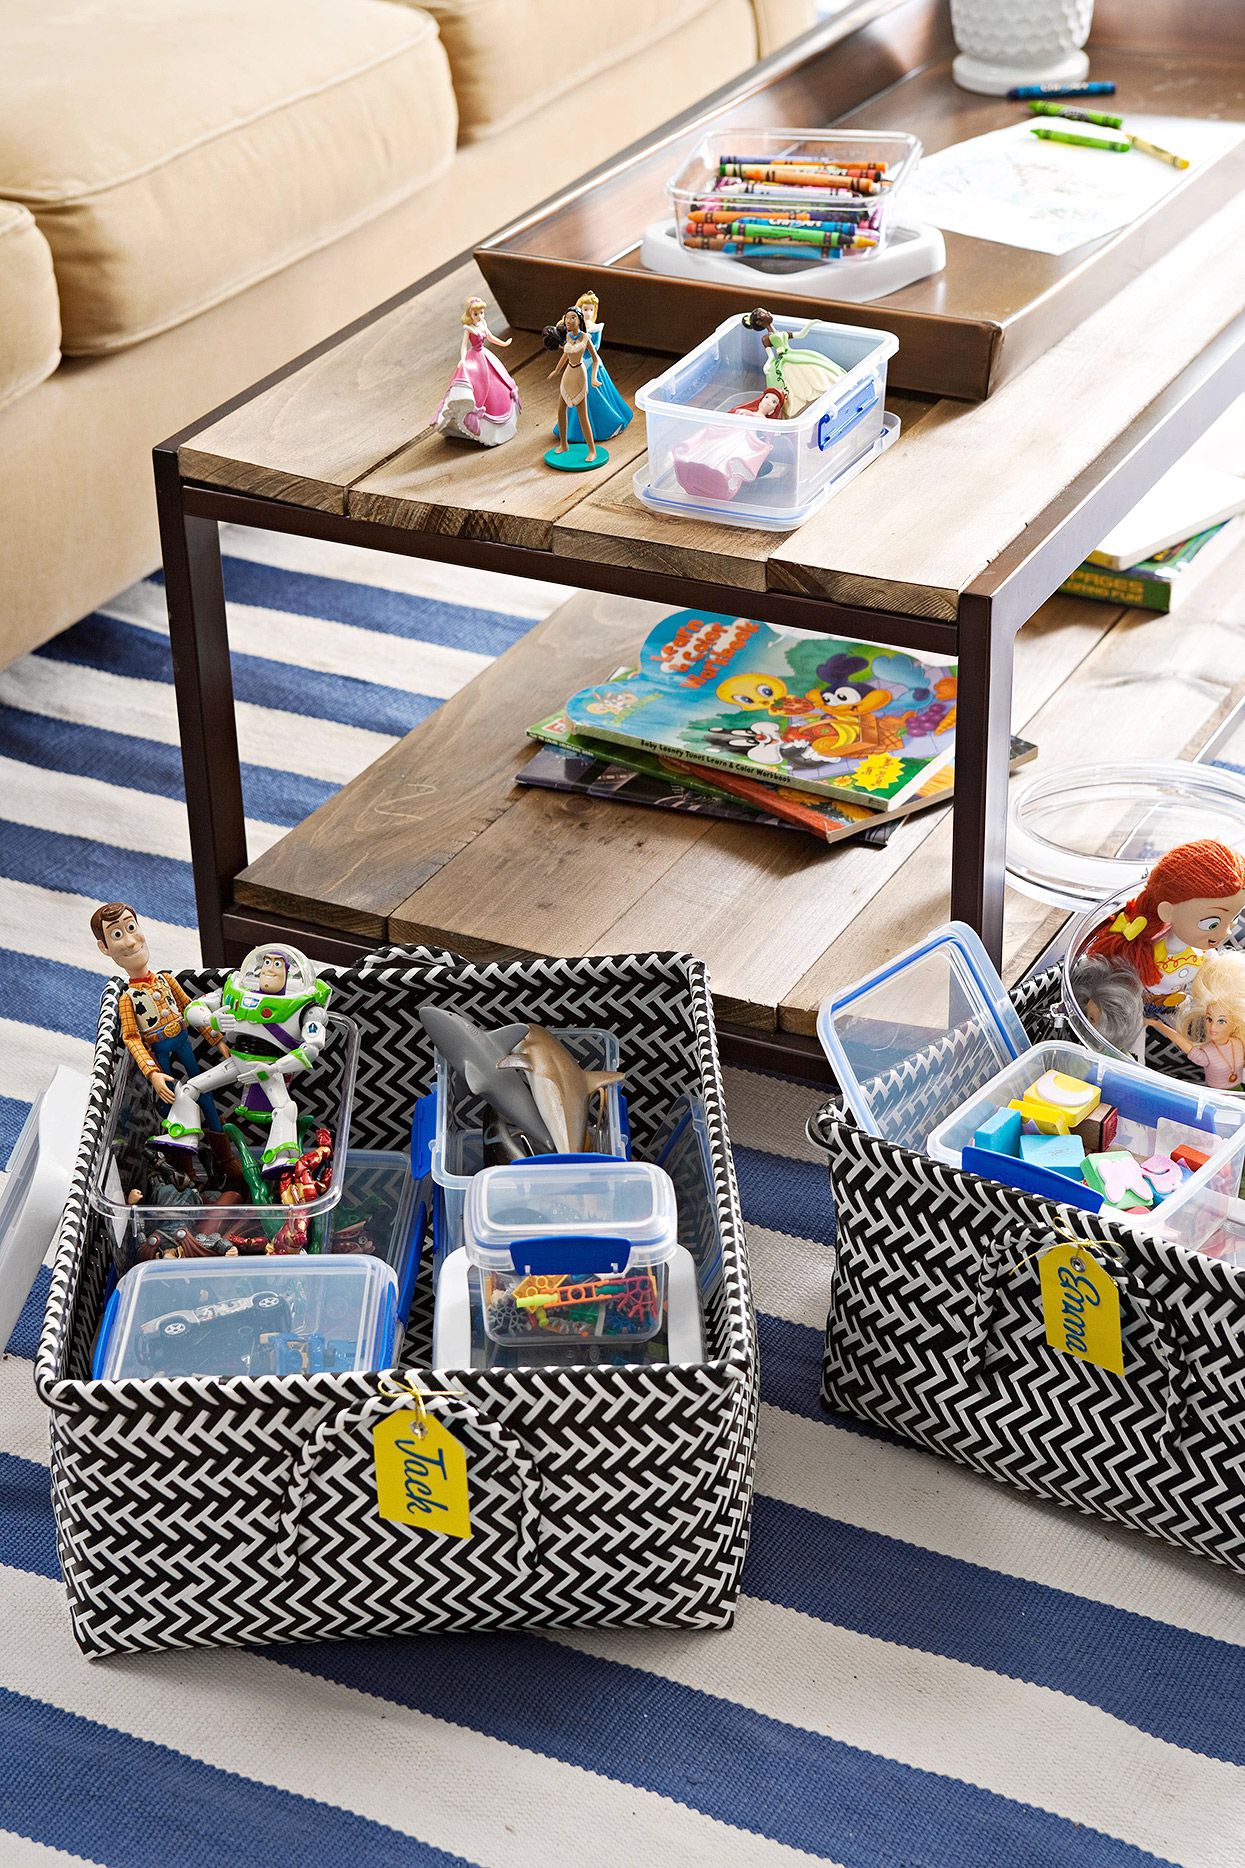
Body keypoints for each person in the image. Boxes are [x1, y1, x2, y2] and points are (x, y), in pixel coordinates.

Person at [92, 901, 225, 1127]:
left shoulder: (166, 980)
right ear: (105, 948)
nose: (130, 941)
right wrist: (152, 1073)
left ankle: (222, 1147)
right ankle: (179, 1150)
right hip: (158, 1053)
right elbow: (132, 1038)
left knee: (203, 1088)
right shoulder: (127, 999)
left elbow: (191, 1009)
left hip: (184, 1043)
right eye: (117, 934)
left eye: (131, 928)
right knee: (171, 1101)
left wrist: (216, 1038)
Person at [434, 296, 521, 446]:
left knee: (498, 379)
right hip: (474, 359)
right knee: (478, 385)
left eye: (481, 313)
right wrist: (462, 359)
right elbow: (463, 346)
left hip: (485, 356)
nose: (479, 316)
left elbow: (491, 337)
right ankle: (472, 419)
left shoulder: (482, 324)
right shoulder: (468, 329)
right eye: (476, 314)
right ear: (469, 315)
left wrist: (504, 343)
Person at [741, 307, 844, 417]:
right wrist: (768, 364)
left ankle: (824, 390)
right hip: (783, 361)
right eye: (765, 313)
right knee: (791, 382)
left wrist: (811, 324)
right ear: (759, 322)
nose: (769, 313)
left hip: (793, 355)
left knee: (812, 369)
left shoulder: (783, 333)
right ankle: (798, 407)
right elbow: (770, 355)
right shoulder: (766, 338)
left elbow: (800, 335)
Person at [544, 305, 604, 462]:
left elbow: (596, 360)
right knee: (560, 410)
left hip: (579, 374)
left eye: (573, 317)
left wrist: (593, 378)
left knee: (582, 415)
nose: (569, 321)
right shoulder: (568, 337)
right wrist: (557, 371)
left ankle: (592, 450)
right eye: (567, 317)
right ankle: (564, 444)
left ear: (579, 320)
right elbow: (565, 355)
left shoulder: (585, 338)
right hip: (568, 374)